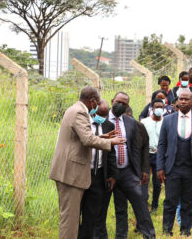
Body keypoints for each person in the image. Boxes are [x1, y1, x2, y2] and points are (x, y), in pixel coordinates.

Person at [49, 87, 124, 239]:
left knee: (73, 218)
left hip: (71, 172)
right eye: (96, 103)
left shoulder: (74, 109)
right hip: (70, 173)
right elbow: (87, 139)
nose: (96, 107)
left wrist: (103, 136)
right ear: (92, 101)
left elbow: (79, 137)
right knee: (70, 220)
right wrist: (111, 142)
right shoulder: (79, 112)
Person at [94, 92, 155, 239]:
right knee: (101, 209)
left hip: (127, 172)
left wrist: (140, 171)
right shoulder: (101, 120)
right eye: (118, 101)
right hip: (107, 173)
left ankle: (149, 235)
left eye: (125, 103)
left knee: (140, 204)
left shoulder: (131, 122)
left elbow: (135, 149)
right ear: (112, 101)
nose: (121, 105)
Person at [157, 91, 192, 236]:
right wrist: (160, 167)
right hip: (172, 168)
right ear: (176, 101)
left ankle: (185, 232)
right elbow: (162, 144)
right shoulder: (168, 120)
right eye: (180, 99)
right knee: (170, 201)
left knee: (187, 202)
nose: (182, 102)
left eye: (186, 99)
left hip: (191, 168)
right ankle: (167, 232)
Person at [78, 100, 118, 239]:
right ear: (93, 112)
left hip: (99, 174)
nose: (101, 117)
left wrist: (112, 175)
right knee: (77, 210)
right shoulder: (84, 125)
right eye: (99, 114)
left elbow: (111, 152)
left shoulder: (108, 125)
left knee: (93, 212)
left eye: (105, 115)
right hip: (82, 173)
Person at [140, 99, 165, 212]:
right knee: (144, 178)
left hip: (159, 156)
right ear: (152, 108)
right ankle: (144, 203)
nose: (159, 109)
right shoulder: (144, 122)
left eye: (161, 107)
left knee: (157, 182)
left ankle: (155, 205)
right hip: (145, 155)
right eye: (157, 107)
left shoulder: (165, 122)